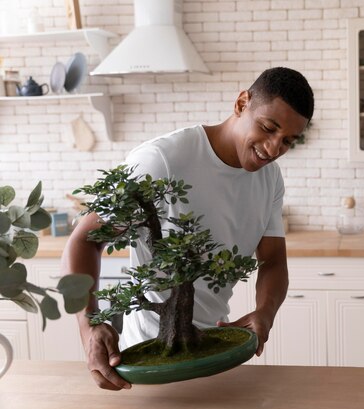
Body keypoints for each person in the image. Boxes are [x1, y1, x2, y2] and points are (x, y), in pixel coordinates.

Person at [61, 67, 314, 391]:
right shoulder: (161, 161)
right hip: (149, 361)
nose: (274, 148)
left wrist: (265, 312)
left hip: (213, 352)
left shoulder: (270, 179)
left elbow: (274, 261)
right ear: (241, 104)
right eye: (268, 128)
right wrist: (88, 326)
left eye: (288, 141)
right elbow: (83, 241)